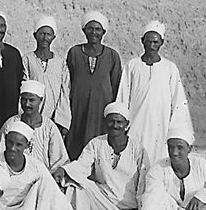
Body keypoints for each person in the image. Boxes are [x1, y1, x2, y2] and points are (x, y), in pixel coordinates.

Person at [53, 102, 149, 210]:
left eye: (119, 122)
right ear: (105, 122)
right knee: (77, 185)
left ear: (127, 124)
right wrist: (64, 170)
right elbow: (82, 165)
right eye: (111, 121)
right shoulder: (96, 143)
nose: (115, 125)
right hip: (101, 200)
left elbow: (143, 185)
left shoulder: (138, 149)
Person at [116, 21, 193, 164]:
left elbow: (178, 102)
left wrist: (175, 130)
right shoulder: (132, 66)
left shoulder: (170, 68)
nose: (152, 46)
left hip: (160, 129)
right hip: (135, 125)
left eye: (155, 42)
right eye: (148, 42)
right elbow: (123, 96)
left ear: (161, 43)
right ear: (142, 42)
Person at [64, 11, 122, 160]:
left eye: (97, 29)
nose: (94, 33)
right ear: (84, 30)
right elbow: (67, 81)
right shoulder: (74, 53)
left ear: (103, 32)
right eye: (90, 28)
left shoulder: (112, 56)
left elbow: (116, 86)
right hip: (78, 109)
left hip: (101, 111)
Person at [0, 80, 68, 173]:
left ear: (40, 100)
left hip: (41, 178)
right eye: (24, 99)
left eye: (31, 100)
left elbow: (59, 160)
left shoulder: (49, 127)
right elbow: (0, 154)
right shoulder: (10, 124)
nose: (27, 104)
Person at [21, 15, 71, 132]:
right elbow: (23, 87)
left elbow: (64, 92)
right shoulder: (27, 60)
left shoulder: (60, 63)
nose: (45, 38)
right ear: (35, 36)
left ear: (53, 37)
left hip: (53, 119)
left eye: (48, 34)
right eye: (41, 34)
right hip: (30, 116)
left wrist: (62, 120)